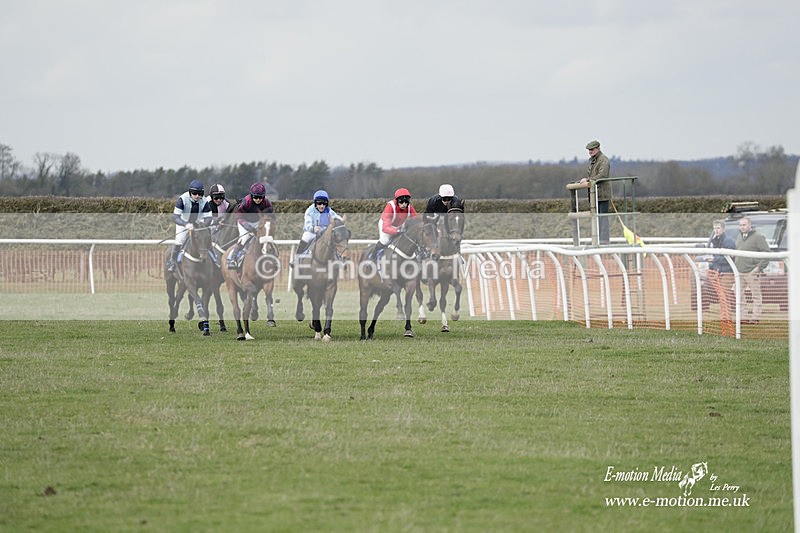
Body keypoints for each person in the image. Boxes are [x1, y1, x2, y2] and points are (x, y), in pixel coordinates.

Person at [226, 182, 275, 269]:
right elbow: (239, 217)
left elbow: (271, 216)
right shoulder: (246, 202)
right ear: (251, 196)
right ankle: (232, 259)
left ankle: (273, 259)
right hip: (244, 222)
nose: (258, 199)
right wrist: (248, 227)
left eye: (260, 197)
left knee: (266, 238)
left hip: (258, 222)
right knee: (244, 238)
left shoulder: (267, 202)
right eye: (255, 197)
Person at [733, 216, 771, 324]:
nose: (742, 227)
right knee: (738, 294)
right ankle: (743, 316)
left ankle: (755, 318)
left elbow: (767, 253)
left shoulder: (758, 237)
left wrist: (759, 268)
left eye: (744, 225)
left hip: (752, 272)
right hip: (740, 271)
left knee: (756, 295)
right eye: (740, 225)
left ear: (750, 225)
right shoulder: (739, 237)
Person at [167, 179, 211, 272]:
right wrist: (185, 224)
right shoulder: (182, 199)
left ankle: (214, 260)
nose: (197, 196)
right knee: (180, 240)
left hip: (198, 225)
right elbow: (175, 217)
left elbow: (208, 217)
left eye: (200, 193)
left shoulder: (204, 201)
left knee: (207, 238)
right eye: (195, 193)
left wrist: (203, 225)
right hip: (183, 223)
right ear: (190, 192)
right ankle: (172, 261)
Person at [369, 187, 418, 261]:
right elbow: (385, 228)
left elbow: (415, 219)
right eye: (401, 202)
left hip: (399, 225)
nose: (404, 205)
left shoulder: (409, 207)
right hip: (386, 225)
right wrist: (397, 231)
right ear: (397, 200)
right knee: (384, 241)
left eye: (406, 202)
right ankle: (372, 257)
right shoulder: (390, 207)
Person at [580, 140, 611, 244]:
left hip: (602, 194)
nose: (590, 152)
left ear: (598, 148)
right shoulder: (593, 161)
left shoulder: (603, 160)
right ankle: (596, 239)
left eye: (592, 150)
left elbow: (602, 176)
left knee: (603, 218)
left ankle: (604, 240)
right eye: (589, 150)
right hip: (594, 194)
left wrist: (588, 180)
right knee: (596, 218)